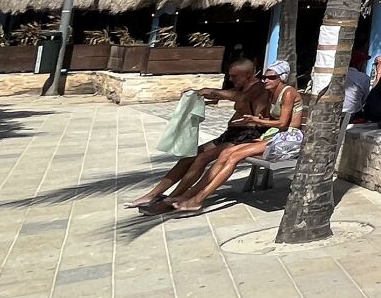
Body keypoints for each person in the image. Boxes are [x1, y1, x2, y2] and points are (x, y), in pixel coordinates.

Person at [128, 58, 275, 209]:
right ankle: (154, 193)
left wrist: (211, 91)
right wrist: (196, 93)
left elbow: (240, 98)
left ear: (249, 75)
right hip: (233, 133)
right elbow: (224, 94)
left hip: (248, 134)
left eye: (234, 76)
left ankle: (173, 197)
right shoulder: (242, 87)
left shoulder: (258, 88)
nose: (231, 79)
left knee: (202, 158)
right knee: (191, 155)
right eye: (230, 75)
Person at [159, 60, 302, 213]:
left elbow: (282, 124)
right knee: (226, 153)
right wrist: (260, 119)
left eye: (271, 77)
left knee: (234, 156)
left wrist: (256, 120)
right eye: (265, 77)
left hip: (289, 138)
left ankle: (198, 199)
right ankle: (188, 195)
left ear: (282, 77)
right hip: (275, 136)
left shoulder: (288, 92)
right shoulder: (273, 93)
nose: (266, 80)